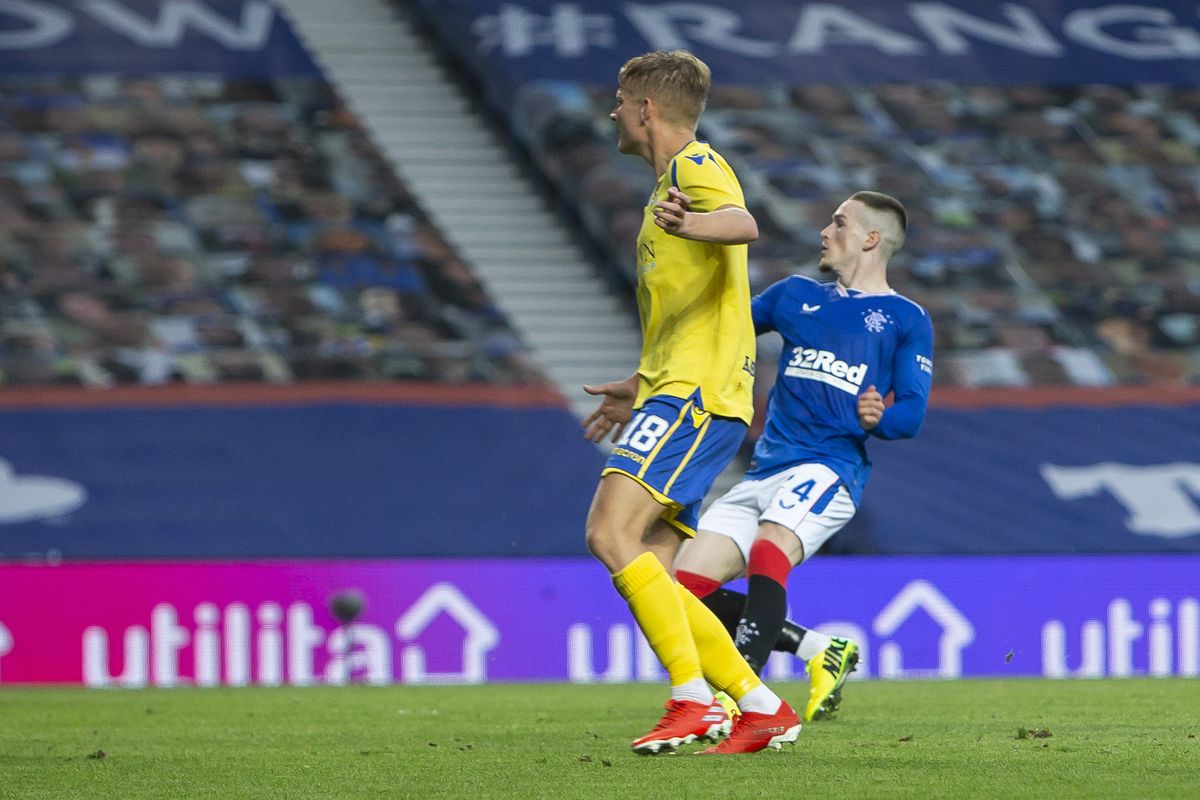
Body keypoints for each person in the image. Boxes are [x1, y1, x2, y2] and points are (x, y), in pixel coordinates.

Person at [582, 49, 800, 756]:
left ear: (647, 108)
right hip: (679, 388)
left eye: (621, 98)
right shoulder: (662, 195)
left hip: (696, 395)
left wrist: (693, 226)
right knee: (656, 567)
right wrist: (637, 386)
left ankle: (691, 699)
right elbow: (690, 312)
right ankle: (762, 706)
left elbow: (741, 222)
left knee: (609, 532)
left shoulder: (693, 168)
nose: (613, 110)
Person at [672, 190, 934, 722]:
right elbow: (726, 331)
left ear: (870, 238)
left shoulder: (906, 318)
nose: (824, 231)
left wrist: (879, 418)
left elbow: (911, 414)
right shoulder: (793, 296)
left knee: (770, 547)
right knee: (682, 589)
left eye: (838, 222)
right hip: (764, 470)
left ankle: (737, 701)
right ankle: (819, 650)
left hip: (829, 469)